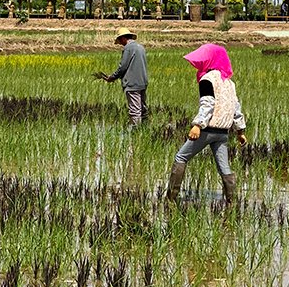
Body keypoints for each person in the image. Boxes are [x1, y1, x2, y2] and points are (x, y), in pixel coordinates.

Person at [167, 43, 247, 205]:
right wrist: (240, 131)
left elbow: (208, 104)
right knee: (224, 167)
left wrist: (198, 125)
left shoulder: (207, 80)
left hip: (207, 130)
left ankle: (170, 199)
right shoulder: (229, 83)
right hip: (223, 133)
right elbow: (236, 107)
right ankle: (232, 202)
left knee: (181, 157)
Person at [100, 27, 148, 127]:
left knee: (135, 110)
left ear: (123, 38)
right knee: (143, 108)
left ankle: (136, 132)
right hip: (142, 82)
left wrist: (112, 77)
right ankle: (144, 129)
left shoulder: (128, 48)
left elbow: (123, 67)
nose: (121, 44)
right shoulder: (141, 47)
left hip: (132, 83)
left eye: (120, 41)